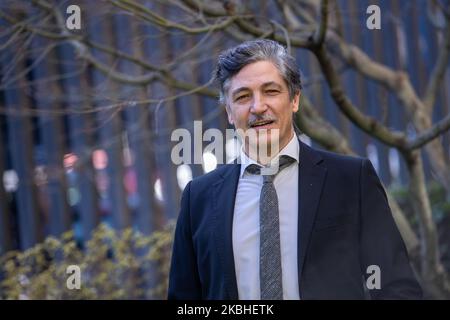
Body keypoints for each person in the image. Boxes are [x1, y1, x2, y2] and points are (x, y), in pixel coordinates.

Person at [168, 39, 422, 299]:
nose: (257, 107)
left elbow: (396, 288)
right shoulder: (198, 198)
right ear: (230, 112)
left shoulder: (350, 181)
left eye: (271, 91)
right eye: (243, 96)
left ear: (295, 99)